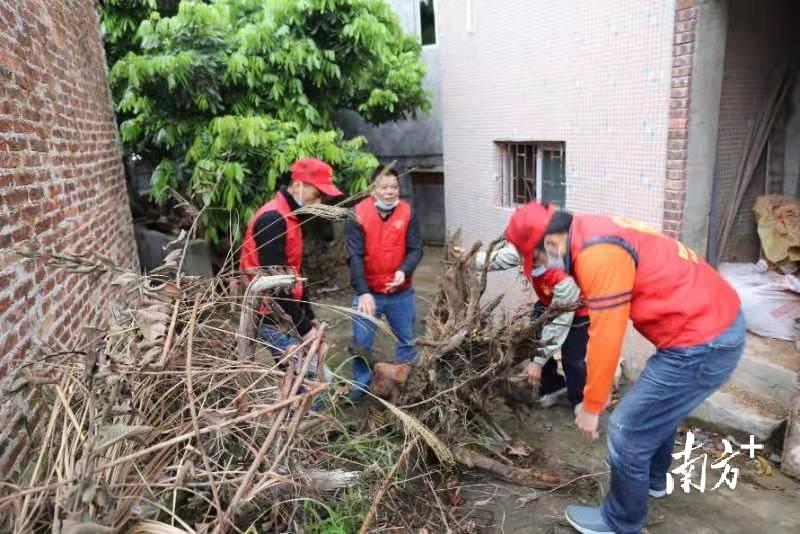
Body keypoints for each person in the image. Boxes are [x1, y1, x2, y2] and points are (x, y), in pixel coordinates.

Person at [502, 202, 745, 534]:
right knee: (655, 410)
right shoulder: (586, 228)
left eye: (540, 258)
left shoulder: (597, 255)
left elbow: (606, 334)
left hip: (703, 341)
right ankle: (653, 480)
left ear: (550, 242)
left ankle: (620, 523)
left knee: (626, 430)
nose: (543, 266)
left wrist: (591, 404)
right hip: (708, 326)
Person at [239, 157, 343, 379]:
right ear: (298, 186)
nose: (321, 201)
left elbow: (294, 274)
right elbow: (275, 286)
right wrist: (305, 329)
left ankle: (296, 408)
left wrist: (309, 315)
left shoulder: (291, 216)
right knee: (309, 379)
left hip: (287, 312)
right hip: (272, 315)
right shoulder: (273, 220)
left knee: (306, 379)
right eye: (318, 195)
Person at [475, 240, 588, 412]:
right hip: (547, 302)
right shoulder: (526, 249)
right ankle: (554, 387)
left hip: (577, 308)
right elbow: (501, 258)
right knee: (534, 343)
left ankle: (581, 401)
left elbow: (558, 325)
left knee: (572, 358)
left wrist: (537, 363)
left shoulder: (561, 273)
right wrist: (470, 259)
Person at [346, 166, 423, 398]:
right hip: (369, 293)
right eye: (384, 187)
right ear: (373, 189)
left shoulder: (408, 212)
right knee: (361, 342)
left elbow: (416, 249)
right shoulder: (357, 214)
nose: (390, 192)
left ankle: (404, 383)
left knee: (407, 339)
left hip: (401, 292)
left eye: (394, 187)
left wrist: (404, 271)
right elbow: (354, 256)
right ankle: (361, 385)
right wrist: (363, 292)